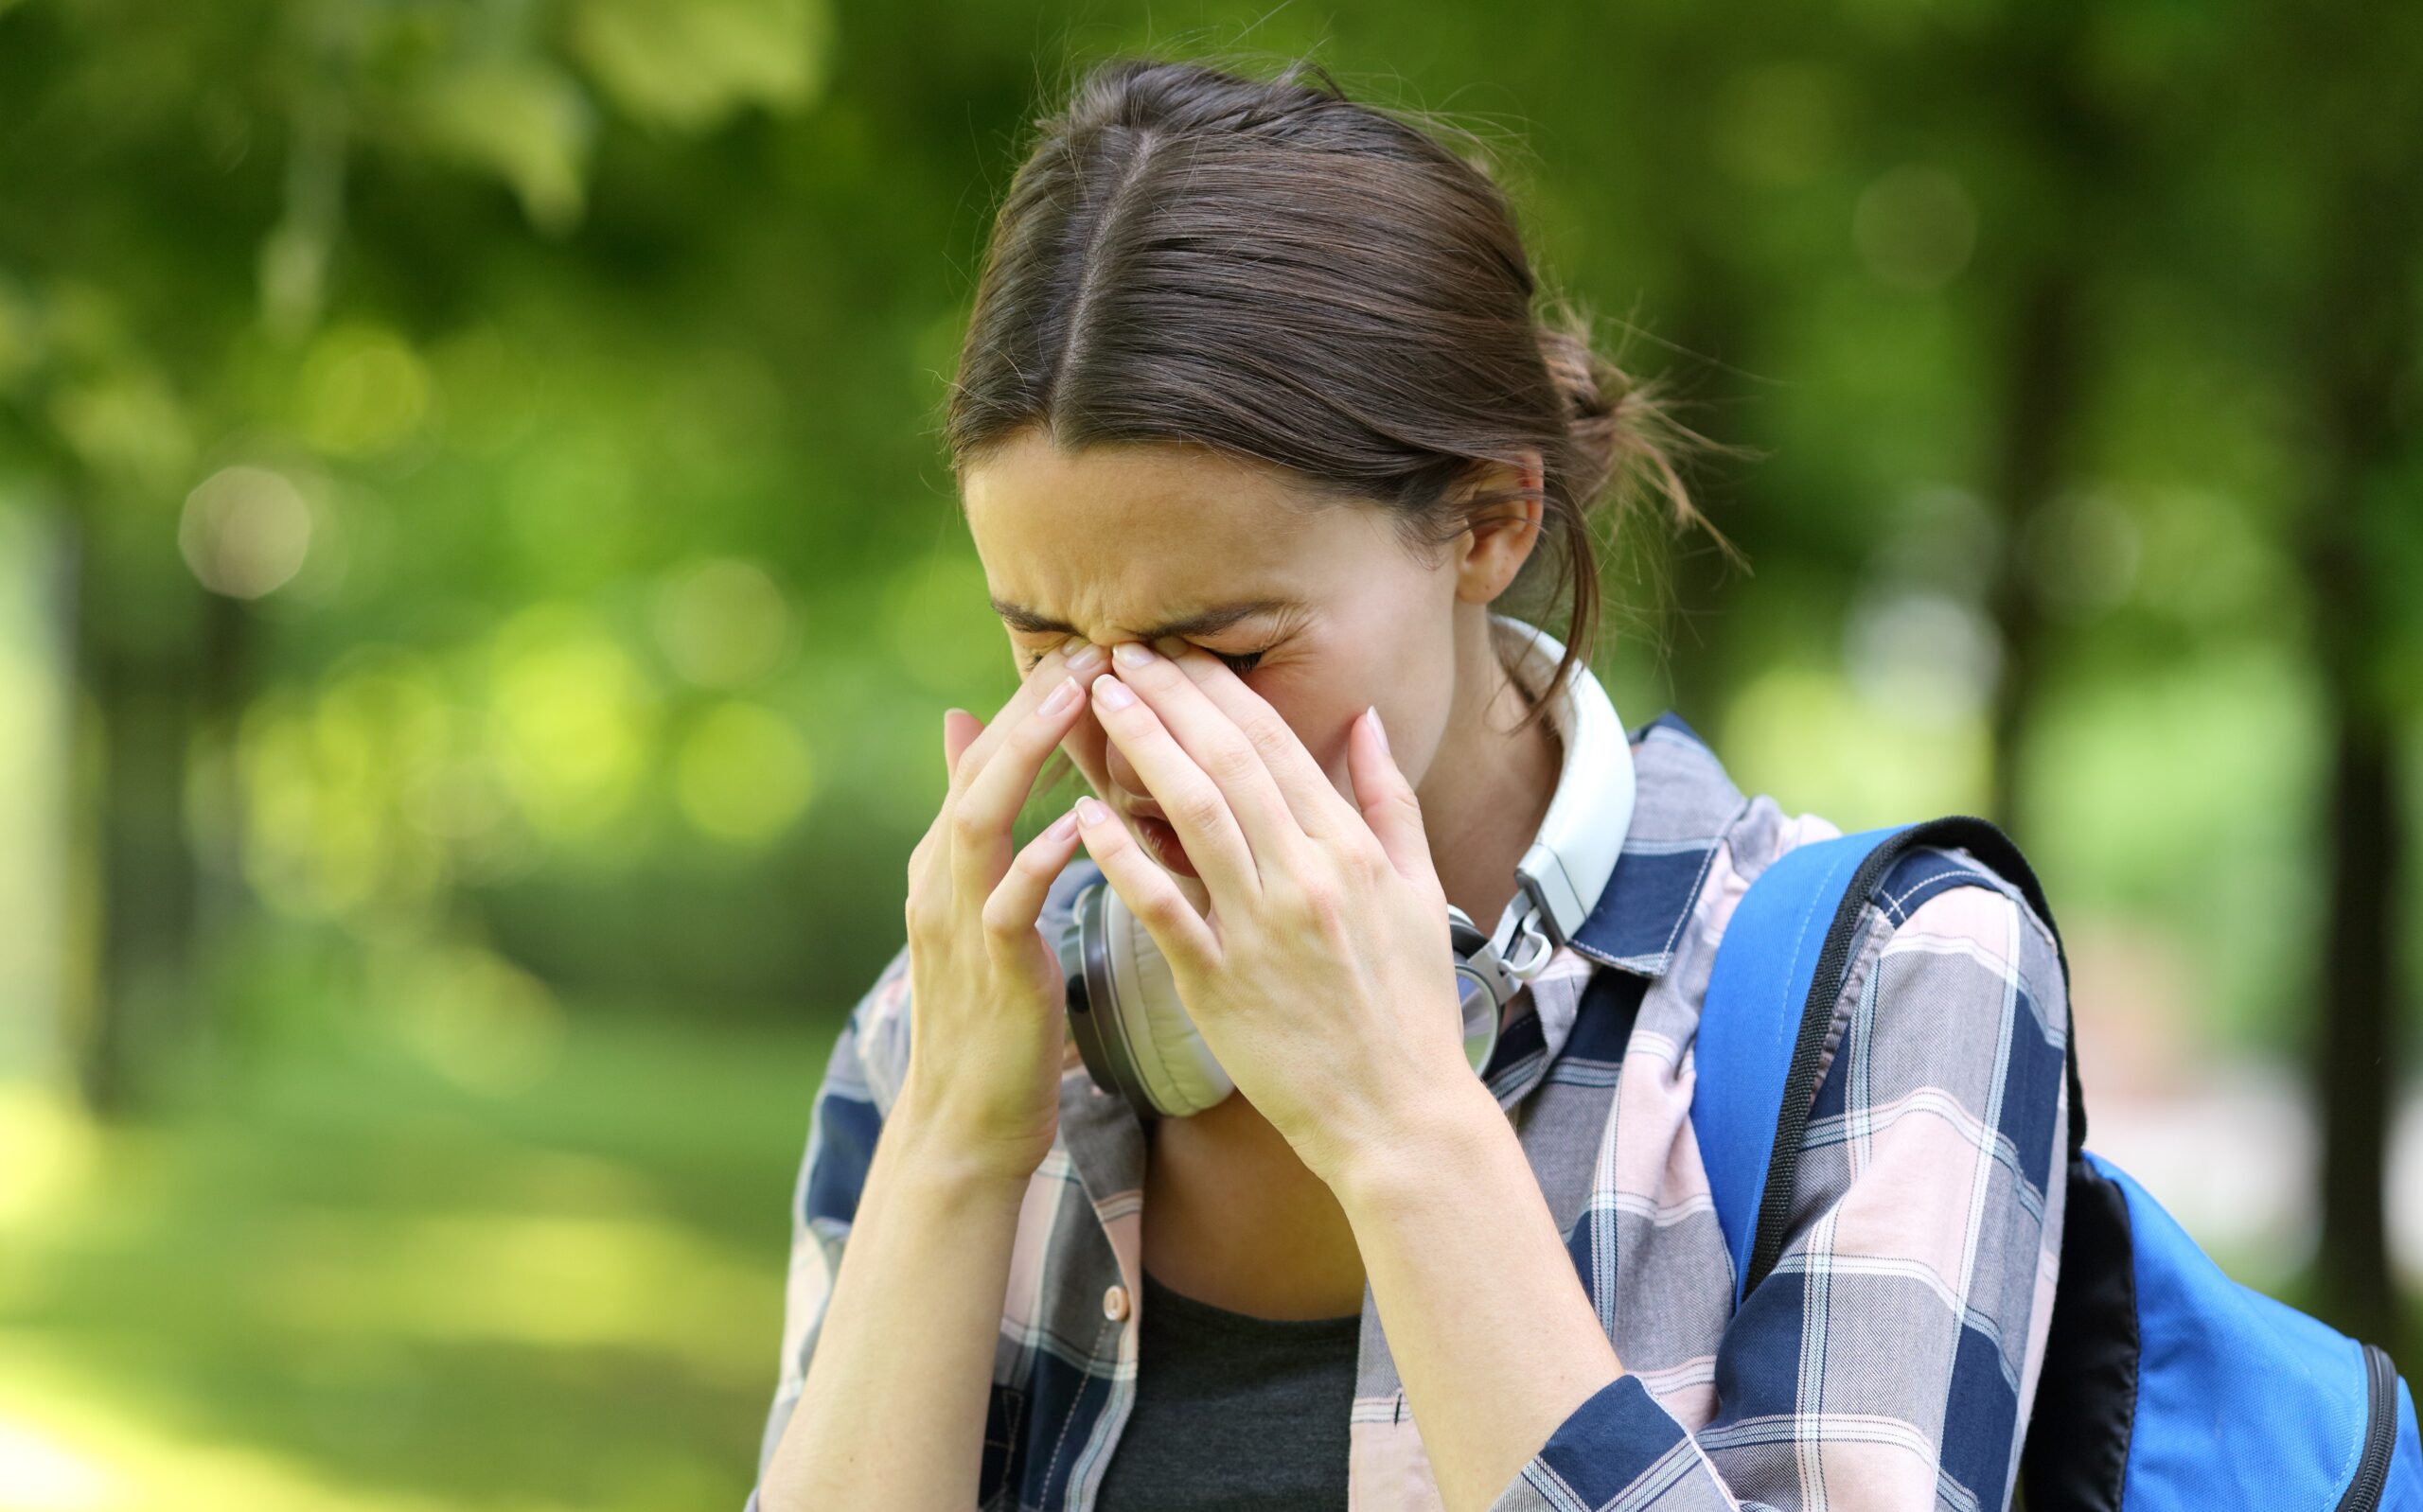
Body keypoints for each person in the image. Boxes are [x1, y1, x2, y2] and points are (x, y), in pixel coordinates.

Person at [744, 53, 2070, 1512]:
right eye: (1046, 641)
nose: (1125, 742)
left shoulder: (1900, 983)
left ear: (1492, 521)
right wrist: (948, 1146)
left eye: (1224, 646)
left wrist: (1403, 1130)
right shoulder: (955, 1023)